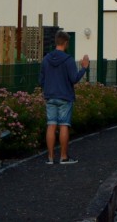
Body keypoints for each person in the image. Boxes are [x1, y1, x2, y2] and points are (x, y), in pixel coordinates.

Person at [39, 30, 89, 165]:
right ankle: (63, 157)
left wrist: (47, 90)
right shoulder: (68, 60)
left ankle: (50, 158)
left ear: (56, 41)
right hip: (65, 97)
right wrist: (84, 68)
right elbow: (74, 79)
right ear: (66, 43)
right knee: (64, 125)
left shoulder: (46, 59)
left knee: (51, 125)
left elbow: (41, 80)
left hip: (50, 96)